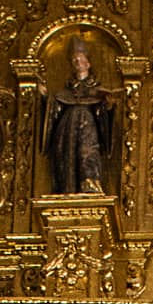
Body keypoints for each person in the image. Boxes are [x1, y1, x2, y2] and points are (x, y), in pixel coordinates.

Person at [44, 40, 118, 192]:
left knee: (87, 152)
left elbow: (103, 115)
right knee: (67, 153)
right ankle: (67, 185)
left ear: (88, 63)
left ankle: (89, 182)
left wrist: (108, 105)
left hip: (88, 126)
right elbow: (57, 107)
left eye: (80, 59)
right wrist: (46, 97)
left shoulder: (96, 88)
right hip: (67, 128)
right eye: (74, 60)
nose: (78, 63)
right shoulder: (67, 89)